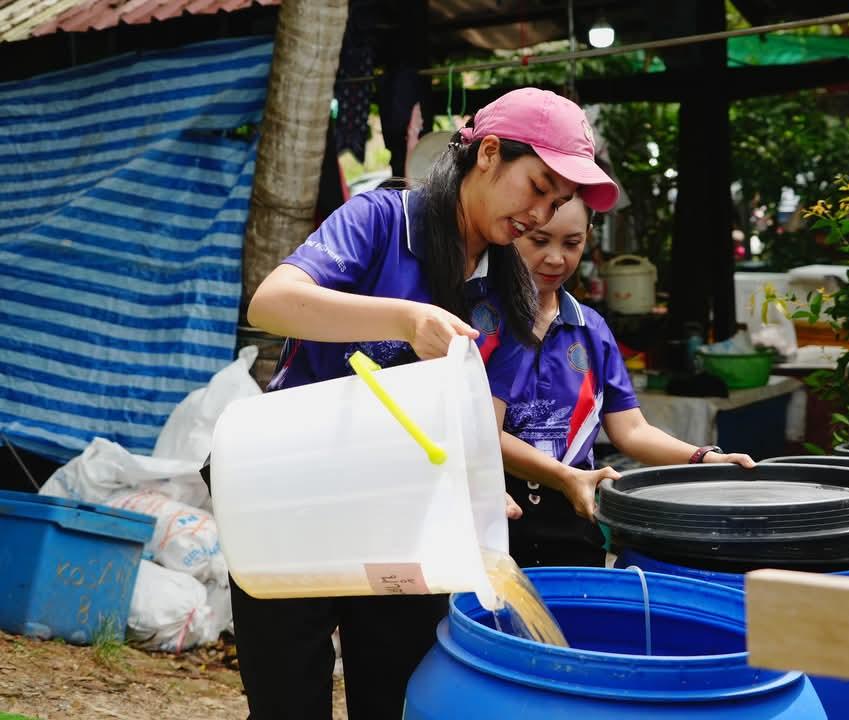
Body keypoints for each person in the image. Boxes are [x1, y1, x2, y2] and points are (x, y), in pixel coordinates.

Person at [240, 88, 619, 720]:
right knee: (288, 700)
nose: (540, 213)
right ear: (489, 154)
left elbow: (474, 424)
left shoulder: (511, 294)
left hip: (405, 514)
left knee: (394, 697)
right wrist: (407, 319)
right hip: (294, 495)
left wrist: (480, 482)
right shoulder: (382, 221)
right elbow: (271, 303)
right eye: (537, 187)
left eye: (556, 202)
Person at [486, 195, 755, 569]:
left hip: (575, 518)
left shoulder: (591, 329)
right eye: (539, 240)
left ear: (588, 237)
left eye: (572, 243)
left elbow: (631, 430)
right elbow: (480, 432)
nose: (556, 258)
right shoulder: (480, 320)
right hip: (493, 515)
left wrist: (705, 458)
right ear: (511, 231)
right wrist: (564, 477)